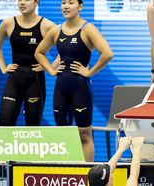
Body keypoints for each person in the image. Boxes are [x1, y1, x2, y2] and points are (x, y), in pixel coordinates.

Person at [34, 0, 113, 162]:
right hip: (61, 87)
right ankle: (67, 172)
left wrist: (89, 72)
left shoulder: (88, 29)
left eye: (71, 2)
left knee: (84, 134)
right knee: (63, 134)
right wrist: (51, 70)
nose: (66, 6)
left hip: (80, 88)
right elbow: (39, 52)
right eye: (63, 3)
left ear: (80, 6)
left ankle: (87, 175)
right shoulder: (56, 30)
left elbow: (107, 53)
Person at [0, 0, 55, 126]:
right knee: (4, 125)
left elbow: (65, 48)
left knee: (33, 129)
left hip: (35, 82)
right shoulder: (8, 23)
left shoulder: (47, 26)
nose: (22, 3)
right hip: (14, 80)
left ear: (36, 2)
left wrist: (50, 66)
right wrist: (3, 67)